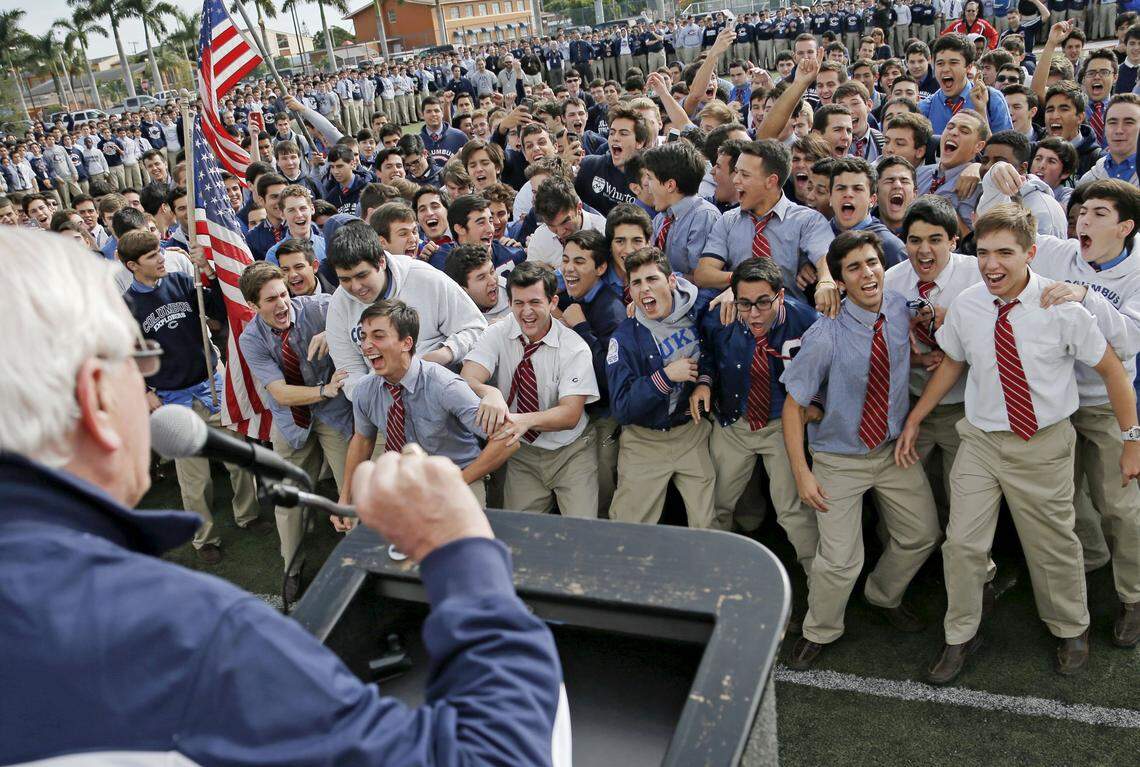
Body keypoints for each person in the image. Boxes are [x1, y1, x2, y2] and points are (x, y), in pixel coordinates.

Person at [0, 227, 570, 767]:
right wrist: (459, 548)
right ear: (98, 396)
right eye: (138, 363)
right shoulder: (193, 637)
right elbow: (506, 754)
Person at [896, 204, 1140, 682]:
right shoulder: (968, 304)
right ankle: (961, 634)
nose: (991, 264)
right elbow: (953, 362)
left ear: (1031, 253)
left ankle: (1071, 628)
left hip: (1043, 443)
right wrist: (915, 418)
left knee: (1051, 544)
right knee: (963, 544)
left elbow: (1113, 371)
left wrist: (1132, 440)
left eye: (1005, 252)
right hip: (981, 442)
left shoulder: (1061, 306)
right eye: (984, 252)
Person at [780, 230, 941, 670]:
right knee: (839, 561)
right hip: (838, 459)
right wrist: (802, 472)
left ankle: (882, 595)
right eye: (854, 268)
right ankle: (820, 629)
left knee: (922, 533)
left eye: (872, 262)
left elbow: (905, 341)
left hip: (891, 451)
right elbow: (793, 408)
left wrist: (924, 358)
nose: (867, 273)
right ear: (842, 282)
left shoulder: (896, 305)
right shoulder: (825, 333)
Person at [119, 230, 265, 563]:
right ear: (132, 265)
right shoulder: (126, 306)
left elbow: (216, 312)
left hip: (212, 385)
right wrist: (145, 391)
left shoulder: (182, 282)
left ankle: (248, 514)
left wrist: (209, 276)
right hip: (174, 400)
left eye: (159, 250)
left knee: (239, 461)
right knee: (194, 480)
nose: (160, 258)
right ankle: (204, 538)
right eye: (151, 255)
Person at [694, 258, 821, 594]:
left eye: (763, 302)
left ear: (780, 295)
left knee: (793, 509)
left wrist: (817, 403)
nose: (754, 314)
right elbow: (707, 354)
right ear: (732, 299)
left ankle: (819, 580)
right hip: (735, 421)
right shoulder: (718, 318)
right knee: (717, 501)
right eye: (745, 303)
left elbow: (828, 362)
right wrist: (705, 382)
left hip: (783, 426)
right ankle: (715, 579)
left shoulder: (804, 319)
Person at [237, 262, 353, 602]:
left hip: (334, 416)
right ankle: (293, 567)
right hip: (292, 420)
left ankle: (359, 559)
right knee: (288, 499)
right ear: (253, 306)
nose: (282, 304)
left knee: (351, 489)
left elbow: (361, 307)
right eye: (271, 299)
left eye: (284, 294)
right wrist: (324, 391)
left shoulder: (319, 307)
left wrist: (334, 331)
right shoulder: (250, 339)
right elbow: (281, 393)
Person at [341, 299, 517, 509]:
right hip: (405, 485)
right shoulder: (364, 390)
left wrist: (457, 482)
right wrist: (345, 498)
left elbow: (507, 439)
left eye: (378, 336)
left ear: (406, 343)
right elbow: (362, 440)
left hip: (457, 481)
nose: (366, 345)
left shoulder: (444, 385)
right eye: (363, 337)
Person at [461, 262, 601, 519]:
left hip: (571, 452)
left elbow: (570, 414)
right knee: (518, 532)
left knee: (583, 530)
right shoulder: (499, 332)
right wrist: (488, 392)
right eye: (518, 303)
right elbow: (468, 377)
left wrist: (521, 421)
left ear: (552, 302)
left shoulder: (575, 347)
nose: (526, 312)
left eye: (535, 302)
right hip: (522, 453)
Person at [605, 246, 716, 527]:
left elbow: (716, 352)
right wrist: (665, 377)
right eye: (636, 283)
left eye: (652, 279)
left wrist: (704, 381)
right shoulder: (625, 337)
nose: (644, 289)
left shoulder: (700, 309)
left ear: (671, 281)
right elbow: (622, 408)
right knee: (630, 527)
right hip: (644, 440)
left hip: (691, 432)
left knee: (708, 524)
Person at [324, 220, 486, 400]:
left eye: (362, 275)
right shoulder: (339, 303)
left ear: (382, 261)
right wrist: (375, 401)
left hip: (441, 393)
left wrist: (446, 352)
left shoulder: (425, 278)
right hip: (383, 405)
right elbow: (349, 369)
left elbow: (477, 328)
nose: (355, 287)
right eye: (345, 279)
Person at [642, 141, 722, 280]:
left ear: (670, 185)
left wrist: (663, 277)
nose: (647, 186)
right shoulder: (661, 218)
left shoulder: (703, 217)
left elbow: (701, 280)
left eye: (650, 178)